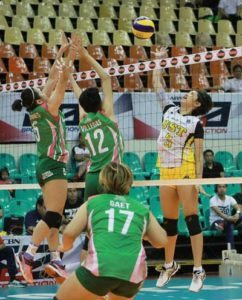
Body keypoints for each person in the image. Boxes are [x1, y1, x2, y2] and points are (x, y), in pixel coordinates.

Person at [11, 36, 76, 284]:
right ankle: (28, 256)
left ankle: (56, 258)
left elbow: (50, 80)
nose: (44, 89)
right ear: (39, 99)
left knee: (55, 216)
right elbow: (60, 80)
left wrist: (60, 52)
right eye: (41, 92)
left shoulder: (37, 110)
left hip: (44, 165)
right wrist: (71, 56)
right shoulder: (49, 109)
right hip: (53, 165)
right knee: (52, 217)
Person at [55, 162, 167, 300]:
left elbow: (69, 233)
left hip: (100, 269)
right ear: (129, 183)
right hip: (132, 275)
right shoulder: (141, 209)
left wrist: (66, 246)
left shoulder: (92, 203)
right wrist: (143, 235)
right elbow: (161, 241)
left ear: (102, 182)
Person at [152, 49, 213, 292]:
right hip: (165, 172)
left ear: (196, 103)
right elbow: (156, 84)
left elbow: (199, 155)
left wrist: (198, 180)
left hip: (185, 171)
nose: (184, 95)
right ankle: (169, 265)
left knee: (191, 219)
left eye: (189, 94)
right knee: (169, 223)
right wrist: (158, 61)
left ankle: (198, 270)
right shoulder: (169, 110)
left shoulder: (196, 124)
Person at [210, 184, 242, 249]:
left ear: (226, 188)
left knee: (240, 215)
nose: (222, 189)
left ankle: (231, 250)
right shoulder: (213, 200)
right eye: (219, 187)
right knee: (228, 224)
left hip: (228, 221)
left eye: (224, 187)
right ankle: (232, 250)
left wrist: (237, 215)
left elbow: (238, 208)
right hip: (216, 222)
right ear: (216, 188)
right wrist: (230, 218)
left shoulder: (230, 198)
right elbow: (220, 214)